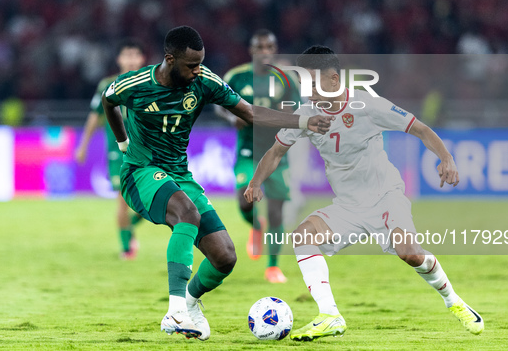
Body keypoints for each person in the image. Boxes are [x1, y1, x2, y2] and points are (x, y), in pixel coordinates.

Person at [102, 26, 332, 340]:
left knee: (225, 257)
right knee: (187, 212)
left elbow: (250, 112)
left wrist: (301, 121)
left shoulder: (205, 82)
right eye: (191, 65)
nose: (198, 70)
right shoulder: (138, 83)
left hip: (179, 174)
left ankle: (191, 303)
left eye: (200, 63)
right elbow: (108, 100)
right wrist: (123, 142)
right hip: (141, 171)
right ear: (170, 59)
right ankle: (175, 311)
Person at [245, 45, 484, 341]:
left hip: (385, 196)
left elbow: (420, 129)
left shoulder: (368, 106)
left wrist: (446, 158)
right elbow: (277, 151)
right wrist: (255, 182)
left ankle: (454, 302)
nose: (308, 91)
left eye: (314, 82)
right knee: (303, 237)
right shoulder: (306, 115)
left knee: (409, 253)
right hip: (348, 206)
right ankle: (330, 315)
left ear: (334, 80)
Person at [218, 29, 300, 283]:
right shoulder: (236, 76)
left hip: (277, 151)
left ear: (274, 50)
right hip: (247, 150)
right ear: (252, 50)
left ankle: (273, 266)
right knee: (245, 201)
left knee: (277, 211)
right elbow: (218, 104)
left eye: (269, 47)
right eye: (259, 47)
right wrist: (232, 117)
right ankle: (255, 226)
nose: (264, 52)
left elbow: (298, 111)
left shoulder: (286, 80)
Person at [75, 39, 146, 260]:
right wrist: (83, 145)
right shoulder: (107, 83)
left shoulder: (150, 83)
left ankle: (129, 227)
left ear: (142, 59)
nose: (131, 59)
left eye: (135, 55)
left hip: (144, 150)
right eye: (127, 55)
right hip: (118, 153)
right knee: (123, 201)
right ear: (119, 59)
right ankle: (126, 249)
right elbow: (95, 115)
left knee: (146, 203)